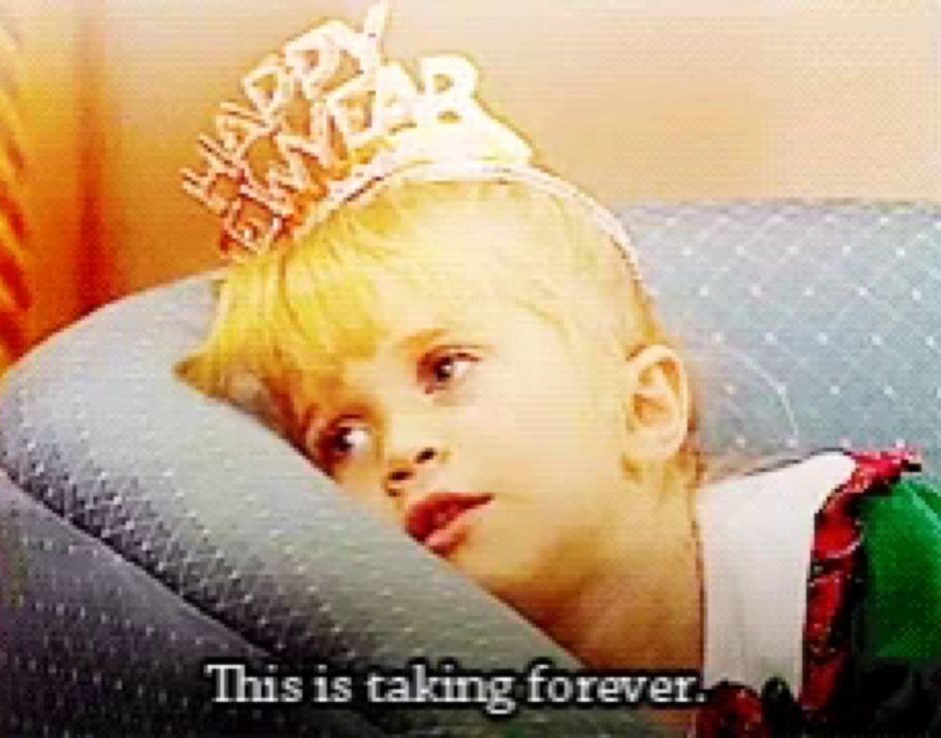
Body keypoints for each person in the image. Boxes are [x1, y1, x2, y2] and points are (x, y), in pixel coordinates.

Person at [177, 4, 941, 734]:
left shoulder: (873, 563)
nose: (400, 451)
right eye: (342, 437)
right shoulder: (421, 689)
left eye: (445, 370)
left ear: (644, 410)